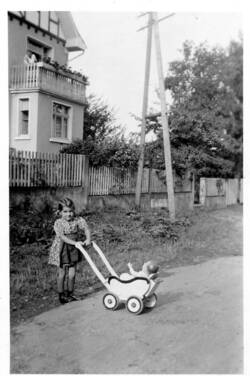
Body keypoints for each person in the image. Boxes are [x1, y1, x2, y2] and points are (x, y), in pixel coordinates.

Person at [48, 197, 91, 304]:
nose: (69, 214)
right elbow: (62, 237)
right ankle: (61, 295)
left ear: (74, 210)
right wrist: (75, 243)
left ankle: (70, 293)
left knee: (72, 273)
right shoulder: (59, 223)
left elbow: (86, 228)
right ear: (60, 212)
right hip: (62, 249)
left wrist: (88, 238)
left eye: (71, 211)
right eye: (65, 212)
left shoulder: (78, 220)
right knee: (62, 273)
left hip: (74, 249)